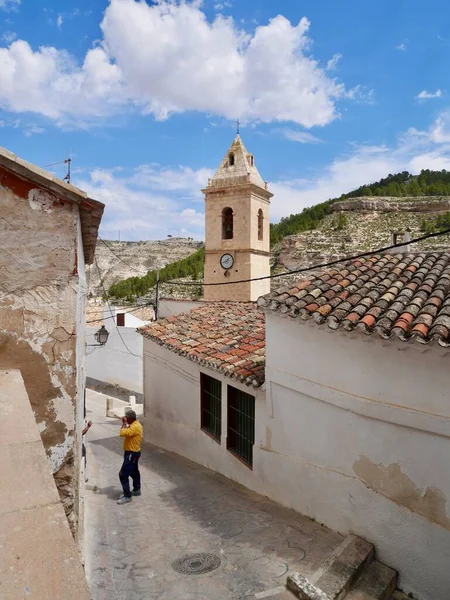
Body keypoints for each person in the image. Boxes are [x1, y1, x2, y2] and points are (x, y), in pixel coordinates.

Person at [117, 409, 143, 505]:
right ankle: (137, 489)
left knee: (122, 474)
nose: (125, 418)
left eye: (126, 417)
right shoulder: (135, 424)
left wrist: (124, 423)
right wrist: (126, 423)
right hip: (133, 453)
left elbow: (122, 433)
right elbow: (129, 429)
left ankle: (127, 496)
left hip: (131, 454)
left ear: (129, 418)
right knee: (134, 472)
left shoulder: (135, 427)